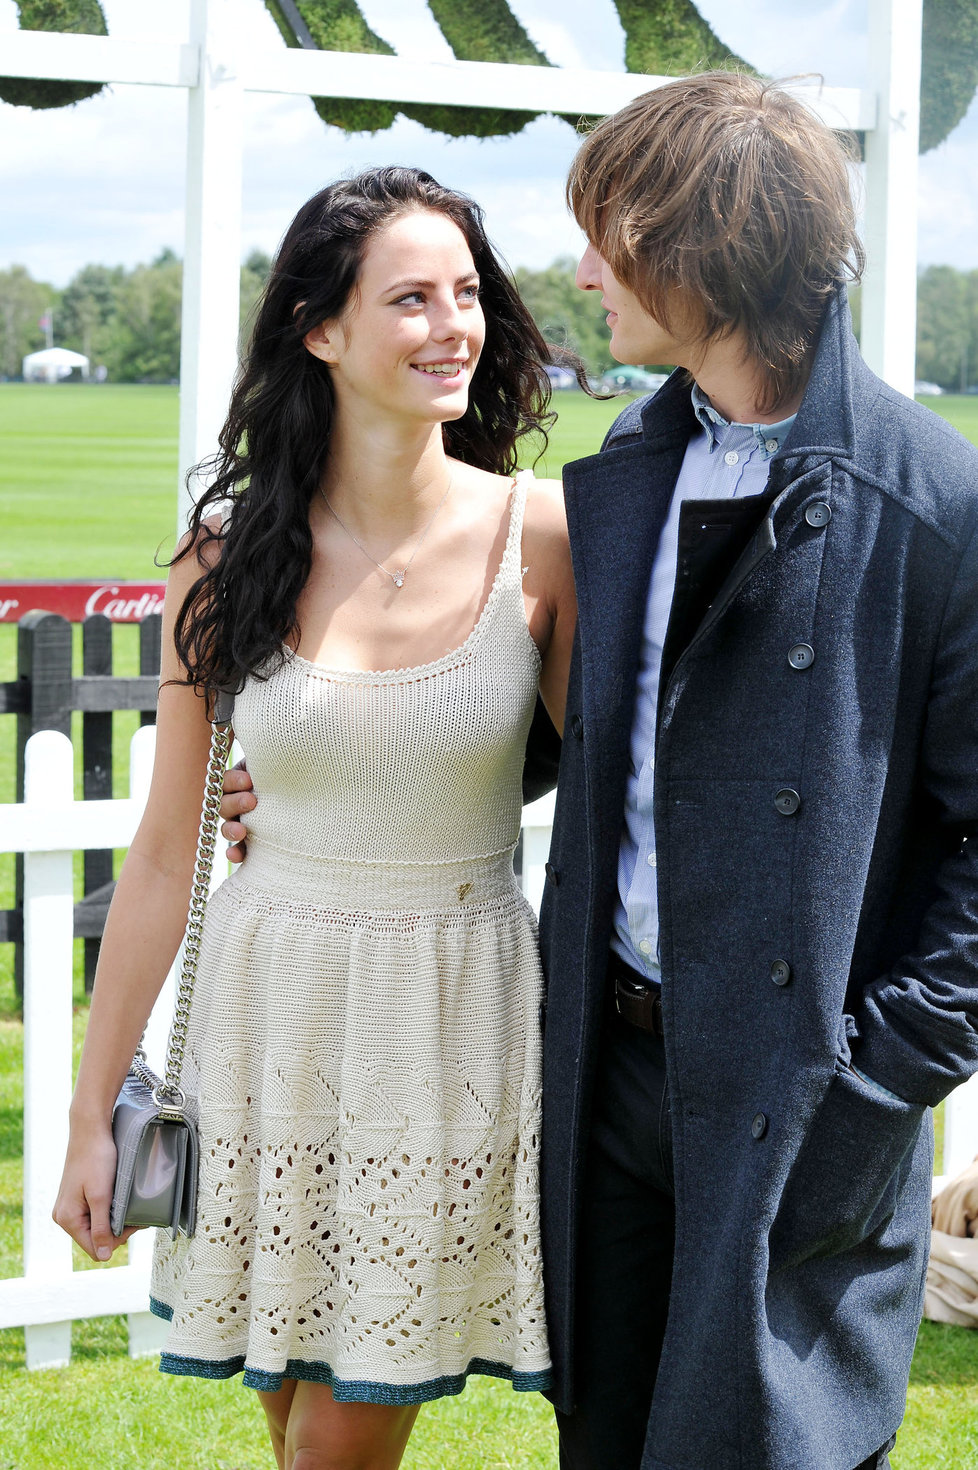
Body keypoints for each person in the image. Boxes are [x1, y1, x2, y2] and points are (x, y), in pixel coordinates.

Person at [219, 75, 978, 1470]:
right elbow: (574, 733)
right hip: (607, 1071)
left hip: (798, 1090)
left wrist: (872, 1083)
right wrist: (325, 777)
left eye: (608, 234)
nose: (577, 272)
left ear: (710, 245)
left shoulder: (929, 500)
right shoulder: (629, 466)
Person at [53, 165, 576, 1470]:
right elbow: (167, 850)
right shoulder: (224, 554)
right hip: (264, 1017)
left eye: (466, 292)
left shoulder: (547, 537)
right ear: (320, 329)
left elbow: (610, 780)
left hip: (444, 1022)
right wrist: (85, 1112)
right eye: (409, 297)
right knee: (292, 1417)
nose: (452, 323)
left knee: (334, 1446)